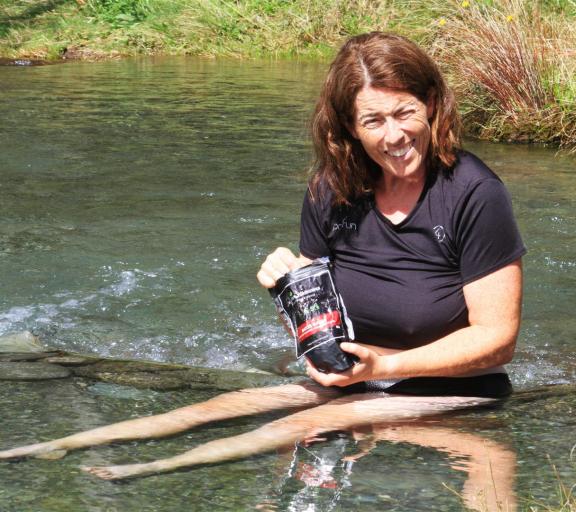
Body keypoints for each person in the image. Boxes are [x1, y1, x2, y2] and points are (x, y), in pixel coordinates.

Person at [0, 32, 524, 493]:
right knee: (205, 410)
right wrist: (289, 290)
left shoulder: (473, 192)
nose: (394, 135)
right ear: (349, 125)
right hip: (355, 374)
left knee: (285, 429)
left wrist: (385, 365)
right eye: (374, 120)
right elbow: (317, 321)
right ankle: (52, 446)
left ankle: (147, 474)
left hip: (447, 384)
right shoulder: (333, 187)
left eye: (405, 111)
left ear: (431, 103)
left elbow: (497, 338)